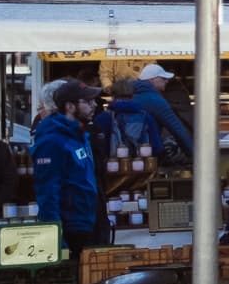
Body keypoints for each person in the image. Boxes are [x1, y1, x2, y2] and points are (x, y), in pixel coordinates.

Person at [30, 79, 102, 252]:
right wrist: (56, 238)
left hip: (87, 222)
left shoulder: (80, 135)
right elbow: (48, 192)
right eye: (87, 101)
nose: (94, 105)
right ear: (69, 106)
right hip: (71, 228)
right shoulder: (52, 141)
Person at [119, 65, 194, 162]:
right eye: (163, 78)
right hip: (147, 155)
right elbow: (177, 129)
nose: (166, 81)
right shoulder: (155, 100)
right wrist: (192, 154)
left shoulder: (128, 94)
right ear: (152, 79)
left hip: (122, 154)